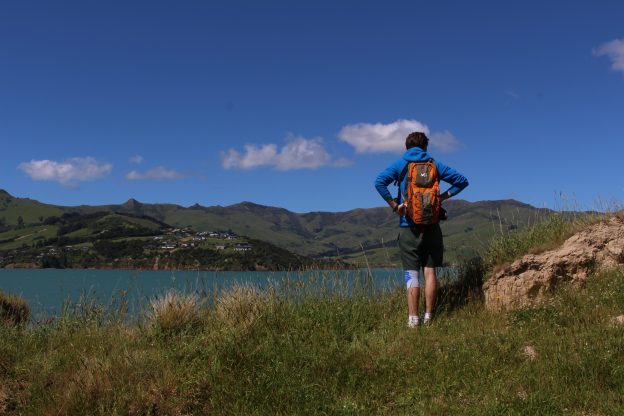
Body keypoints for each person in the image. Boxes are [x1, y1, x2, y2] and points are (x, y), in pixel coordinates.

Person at [374, 132, 468, 327]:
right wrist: (442, 198)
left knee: (411, 273)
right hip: (432, 226)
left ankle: (413, 319)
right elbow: (462, 181)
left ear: (406, 147)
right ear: (425, 147)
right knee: (430, 272)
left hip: (409, 226)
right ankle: (429, 317)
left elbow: (379, 182)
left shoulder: (400, 164)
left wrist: (394, 205)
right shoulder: (435, 165)